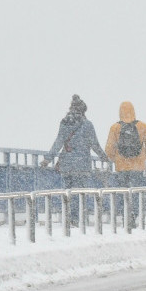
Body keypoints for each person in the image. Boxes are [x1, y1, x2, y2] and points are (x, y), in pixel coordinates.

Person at [41, 95, 108, 226]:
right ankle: (77, 219)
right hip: (82, 165)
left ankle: (69, 217)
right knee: (79, 193)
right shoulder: (88, 125)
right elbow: (94, 144)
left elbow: (58, 142)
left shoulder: (65, 122)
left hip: (67, 165)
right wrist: (103, 157)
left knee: (68, 192)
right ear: (84, 111)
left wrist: (47, 159)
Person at [104, 101, 146, 228]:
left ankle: (124, 215)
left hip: (121, 167)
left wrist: (116, 159)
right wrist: (143, 157)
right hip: (138, 168)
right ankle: (133, 216)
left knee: (123, 192)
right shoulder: (142, 126)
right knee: (136, 193)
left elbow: (109, 149)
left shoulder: (115, 128)